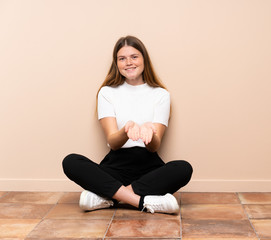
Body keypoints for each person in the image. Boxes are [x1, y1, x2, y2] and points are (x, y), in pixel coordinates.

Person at [62, 35, 193, 214]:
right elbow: (113, 142)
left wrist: (150, 133)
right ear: (116, 64)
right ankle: (143, 202)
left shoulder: (161, 95)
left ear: (144, 60)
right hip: (115, 166)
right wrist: (126, 131)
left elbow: (155, 147)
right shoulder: (107, 93)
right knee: (71, 161)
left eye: (134, 57)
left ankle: (106, 199)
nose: (128, 63)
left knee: (183, 168)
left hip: (149, 167)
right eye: (122, 59)